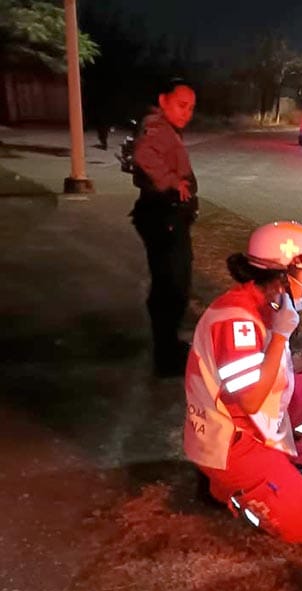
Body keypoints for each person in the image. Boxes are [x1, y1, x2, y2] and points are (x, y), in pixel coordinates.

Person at [184, 221, 302, 543]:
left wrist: (295, 358)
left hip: (251, 424)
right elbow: (251, 401)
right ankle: (230, 494)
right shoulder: (237, 321)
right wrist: (281, 338)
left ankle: (296, 464)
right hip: (233, 442)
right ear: (282, 276)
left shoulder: (262, 302)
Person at [131, 79, 198, 377]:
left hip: (168, 216)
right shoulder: (156, 127)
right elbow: (144, 156)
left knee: (174, 282)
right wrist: (172, 182)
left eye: (191, 108)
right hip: (162, 216)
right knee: (171, 284)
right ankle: (166, 354)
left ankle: (168, 346)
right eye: (181, 105)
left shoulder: (166, 129)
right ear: (163, 100)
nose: (187, 113)